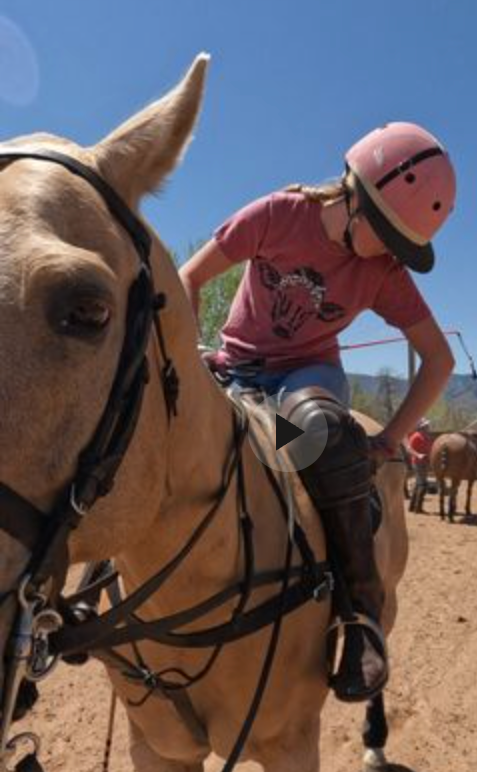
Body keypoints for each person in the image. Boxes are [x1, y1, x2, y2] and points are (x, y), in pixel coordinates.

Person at [180, 122, 456, 702]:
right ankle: (87, 587)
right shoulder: (277, 216)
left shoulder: (382, 271)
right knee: (157, 419)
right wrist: (185, 357)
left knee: (315, 439)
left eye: (400, 246)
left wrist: (392, 438)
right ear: (352, 195)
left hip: (305, 379)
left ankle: (360, 617)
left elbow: (438, 358)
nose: (388, 253)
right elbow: (189, 279)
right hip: (234, 367)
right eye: (384, 234)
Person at [407, 417, 434, 513]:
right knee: (422, 484)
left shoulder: (427, 437)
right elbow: (409, 448)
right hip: (418, 463)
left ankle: (412, 507)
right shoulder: (416, 436)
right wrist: (418, 455)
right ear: (421, 427)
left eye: (427, 425)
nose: (428, 427)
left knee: (419, 484)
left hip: (425, 463)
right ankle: (418, 507)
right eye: (426, 426)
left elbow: (429, 449)